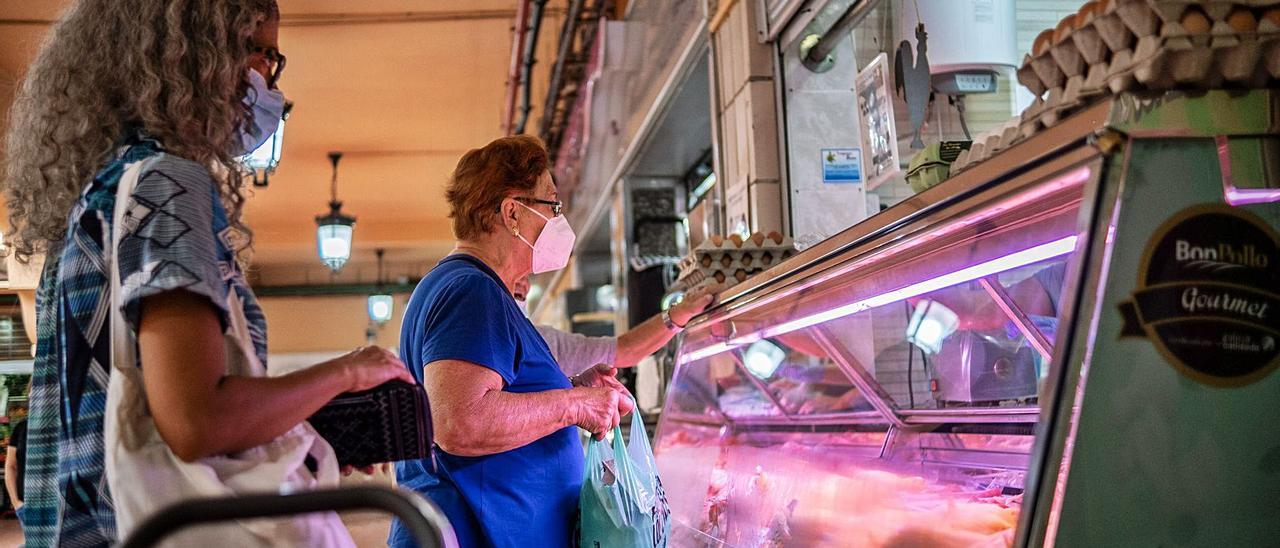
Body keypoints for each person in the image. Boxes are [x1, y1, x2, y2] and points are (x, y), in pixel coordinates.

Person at [1, 1, 412, 545]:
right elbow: (195, 422)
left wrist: (301, 423)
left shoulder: (93, 204)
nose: (269, 80)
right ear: (204, 55)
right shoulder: (168, 186)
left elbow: (136, 411)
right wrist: (351, 372)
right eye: (265, 56)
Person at [394, 135, 632, 548]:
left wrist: (571, 387)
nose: (559, 220)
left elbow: (498, 395)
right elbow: (459, 422)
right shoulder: (472, 290)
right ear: (512, 213)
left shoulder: (471, 289)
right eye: (551, 205)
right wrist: (575, 405)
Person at [512, 276, 714, 377]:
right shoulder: (488, 346)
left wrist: (679, 314)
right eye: (515, 275)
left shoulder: (545, 342)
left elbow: (624, 350)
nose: (525, 285)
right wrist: (572, 404)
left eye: (527, 276)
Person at [5, 418, 27, 529]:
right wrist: (16, 502)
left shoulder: (64, 423)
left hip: (61, 503)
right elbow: (10, 466)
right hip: (26, 503)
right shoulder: (21, 427)